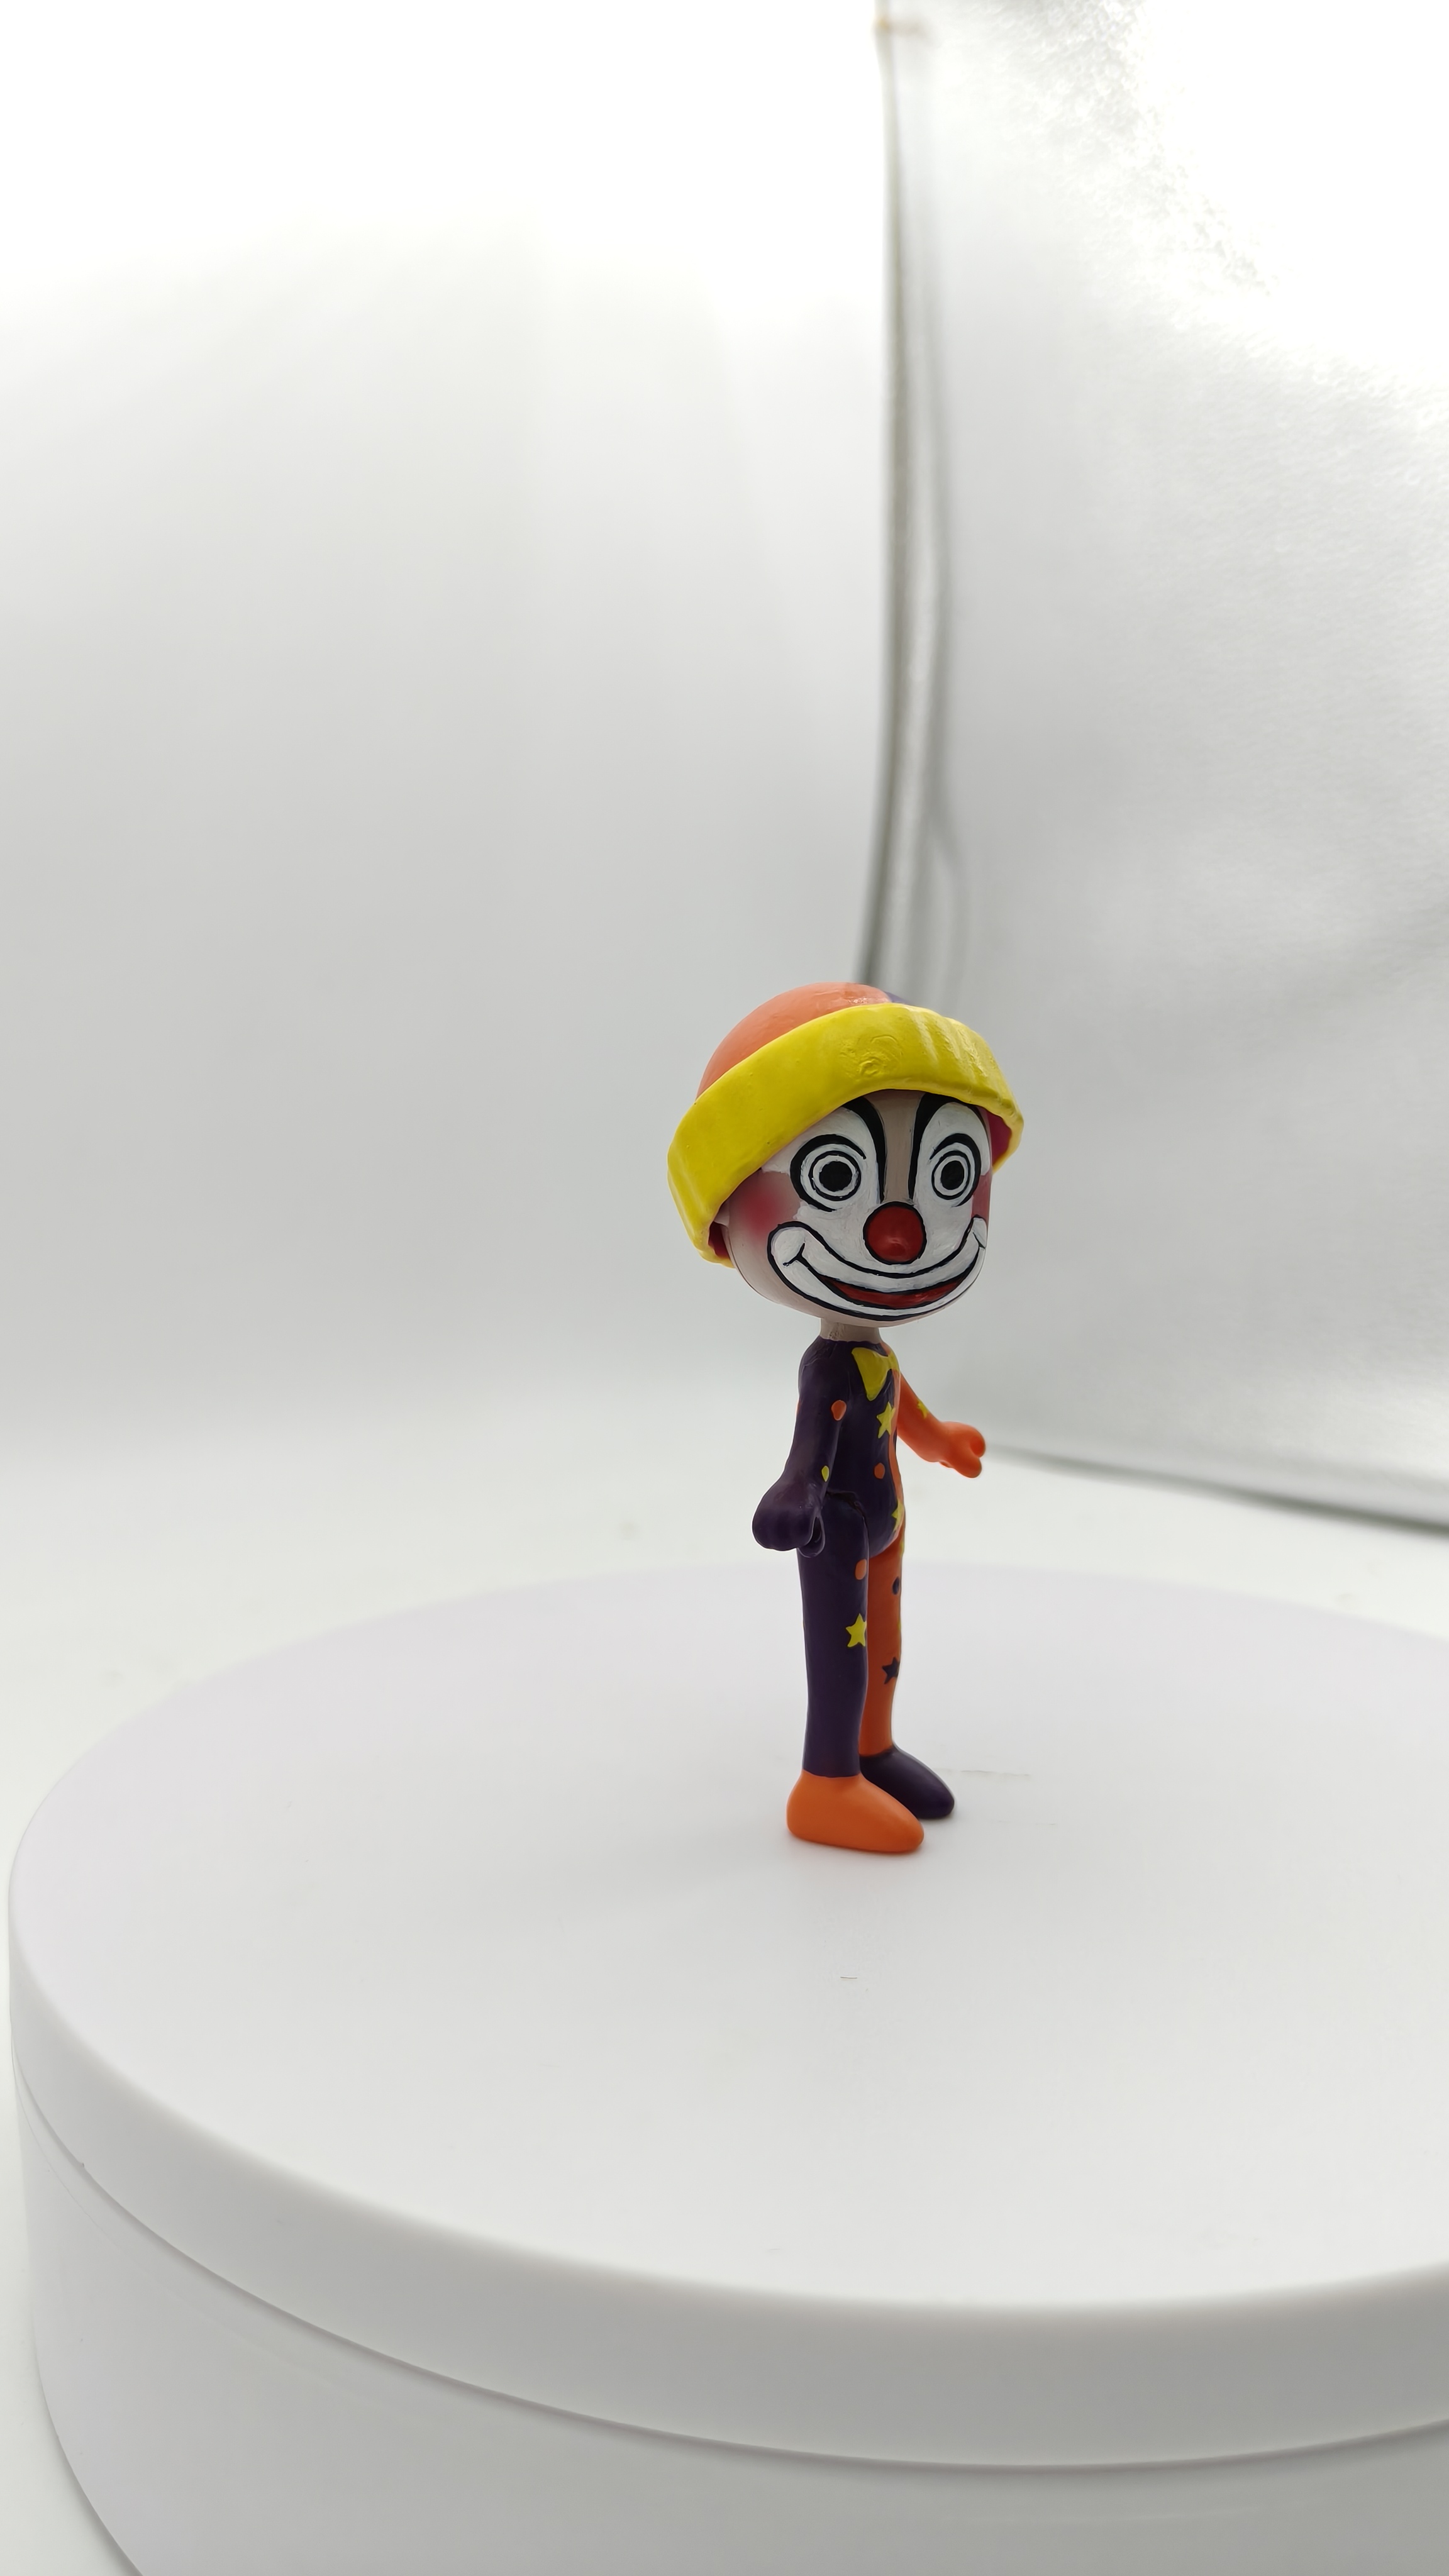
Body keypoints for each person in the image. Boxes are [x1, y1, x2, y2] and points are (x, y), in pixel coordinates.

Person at [667, 982, 1022, 1853]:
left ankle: (874, 1751)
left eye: (950, 1176)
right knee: (843, 1655)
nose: (901, 1233)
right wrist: (793, 1495)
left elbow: (896, 1403)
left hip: (885, 1523)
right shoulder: (828, 1364)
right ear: (727, 1209)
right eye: (836, 1177)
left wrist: (938, 1439)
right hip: (838, 1529)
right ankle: (824, 1783)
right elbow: (813, 1447)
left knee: (886, 1645)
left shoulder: (873, 1359)